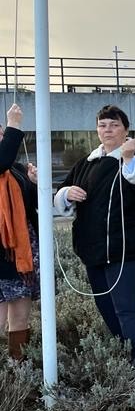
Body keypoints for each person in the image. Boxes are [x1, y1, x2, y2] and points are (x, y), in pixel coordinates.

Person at [54, 105, 135, 363]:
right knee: (106, 306)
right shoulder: (87, 163)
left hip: (131, 249)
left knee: (126, 307)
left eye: (114, 125)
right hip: (94, 249)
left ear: (126, 130)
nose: (108, 130)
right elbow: (61, 195)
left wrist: (129, 160)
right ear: (97, 130)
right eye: (102, 125)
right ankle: (126, 352)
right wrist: (66, 193)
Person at [0, 103, 40, 361]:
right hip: (3, 253)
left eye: (1, 133)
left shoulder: (15, 169)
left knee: (20, 315)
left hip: (23, 253)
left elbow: (32, 206)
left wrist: (34, 183)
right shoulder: (4, 163)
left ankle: (18, 367)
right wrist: (14, 124)